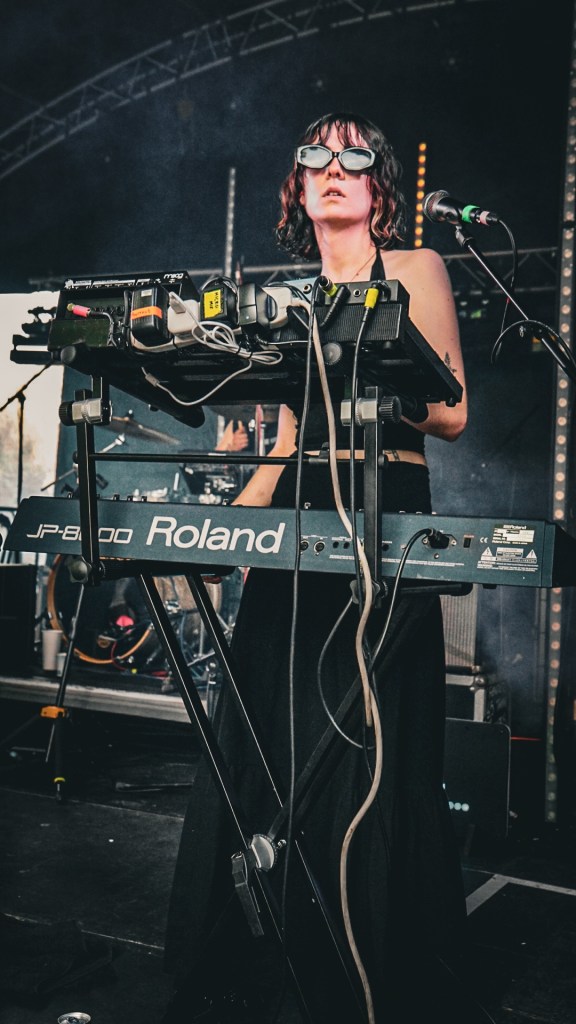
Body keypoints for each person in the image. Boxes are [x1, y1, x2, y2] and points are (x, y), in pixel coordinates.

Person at [162, 112, 471, 1023]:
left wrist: (371, 370)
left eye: (352, 158)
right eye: (315, 159)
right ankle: (264, 943)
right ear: (298, 187)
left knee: (370, 735)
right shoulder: (289, 295)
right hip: (300, 510)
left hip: (384, 501)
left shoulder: (414, 268)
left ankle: (370, 948)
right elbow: (287, 441)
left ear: (379, 187)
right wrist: (224, 535)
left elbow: (453, 413)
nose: (332, 169)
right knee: (270, 723)